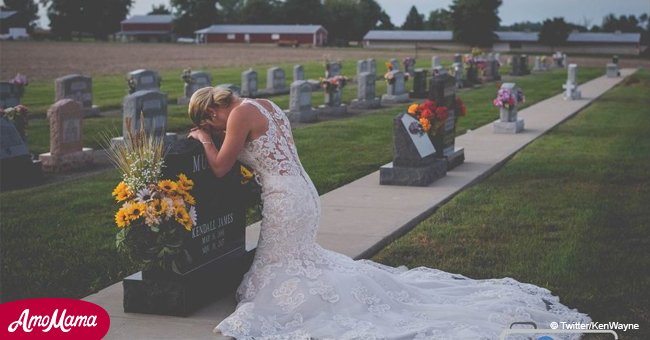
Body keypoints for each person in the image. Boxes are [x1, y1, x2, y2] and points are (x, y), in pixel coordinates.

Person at [187, 87, 590, 339]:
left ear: (212, 111)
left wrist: (204, 140)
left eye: (210, 121)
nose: (215, 127)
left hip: (286, 199)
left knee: (279, 273)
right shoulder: (266, 105)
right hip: (302, 192)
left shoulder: (237, 114)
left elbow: (221, 165)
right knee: (296, 261)